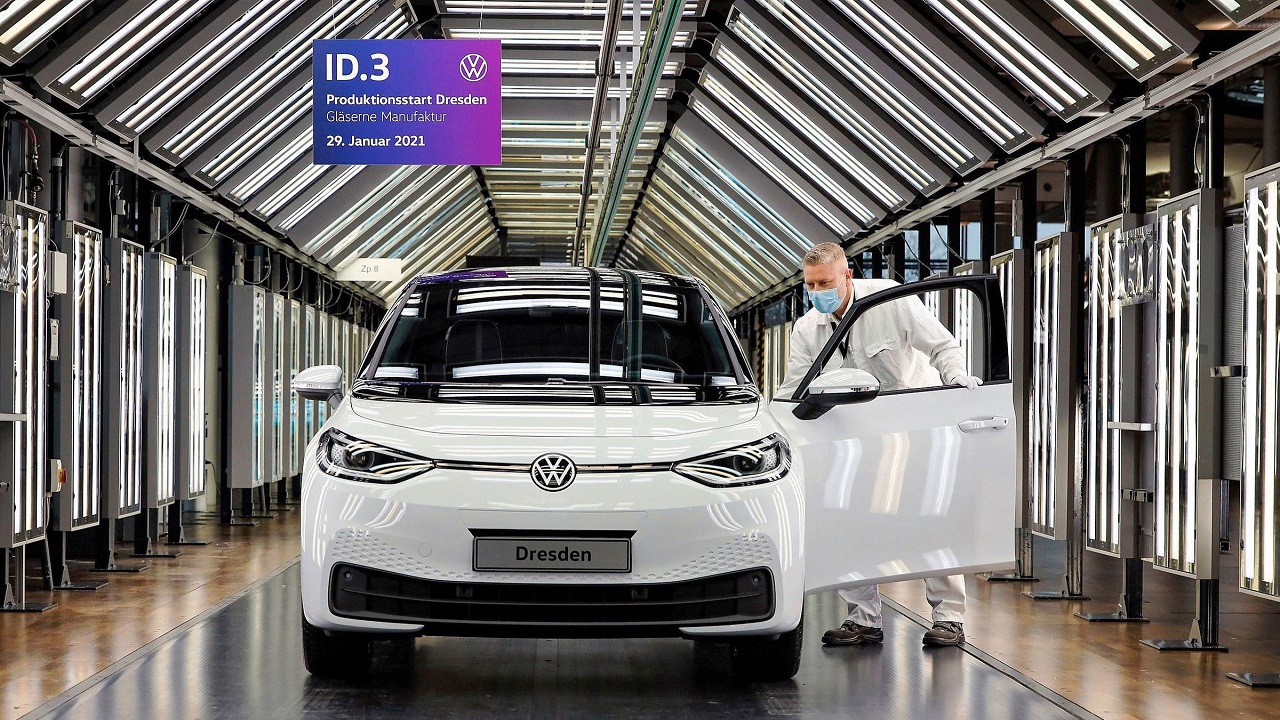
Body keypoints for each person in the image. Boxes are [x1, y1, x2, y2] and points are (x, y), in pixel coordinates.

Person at [777, 242, 981, 648]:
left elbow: (943, 345)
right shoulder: (806, 328)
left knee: (929, 519)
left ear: (847, 276)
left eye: (825, 283)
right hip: (849, 436)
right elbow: (794, 388)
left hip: (912, 427)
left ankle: (949, 618)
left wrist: (956, 379)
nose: (817, 292)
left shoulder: (890, 300)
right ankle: (864, 619)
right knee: (848, 520)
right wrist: (775, 422)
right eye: (810, 285)